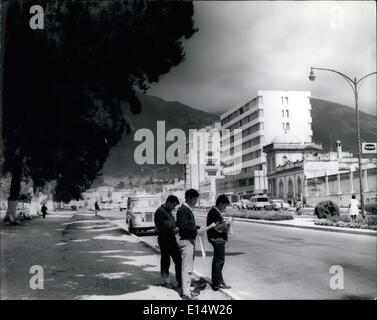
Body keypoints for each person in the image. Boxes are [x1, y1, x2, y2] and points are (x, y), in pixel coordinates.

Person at [176, 189, 201, 300]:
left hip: (189, 240)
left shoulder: (187, 210)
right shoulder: (183, 210)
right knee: (187, 269)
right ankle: (186, 294)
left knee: (188, 267)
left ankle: (187, 291)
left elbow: (187, 226)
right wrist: (195, 231)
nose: (196, 201)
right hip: (186, 241)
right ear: (189, 198)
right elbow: (183, 227)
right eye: (195, 199)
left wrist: (196, 228)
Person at [154, 195, 181, 289]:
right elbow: (165, 228)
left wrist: (177, 225)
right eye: (173, 205)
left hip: (171, 239)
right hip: (164, 239)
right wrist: (176, 228)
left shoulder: (168, 211)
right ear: (169, 202)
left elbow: (172, 224)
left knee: (178, 259)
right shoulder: (160, 212)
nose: (174, 208)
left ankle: (180, 280)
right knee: (166, 260)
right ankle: (166, 281)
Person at [207, 194, 232, 291]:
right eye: (225, 205)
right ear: (220, 204)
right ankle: (218, 283)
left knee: (218, 261)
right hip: (217, 239)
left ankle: (217, 281)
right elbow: (217, 228)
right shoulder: (214, 212)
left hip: (217, 239)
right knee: (219, 261)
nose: (225, 208)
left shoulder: (215, 212)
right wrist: (227, 223)